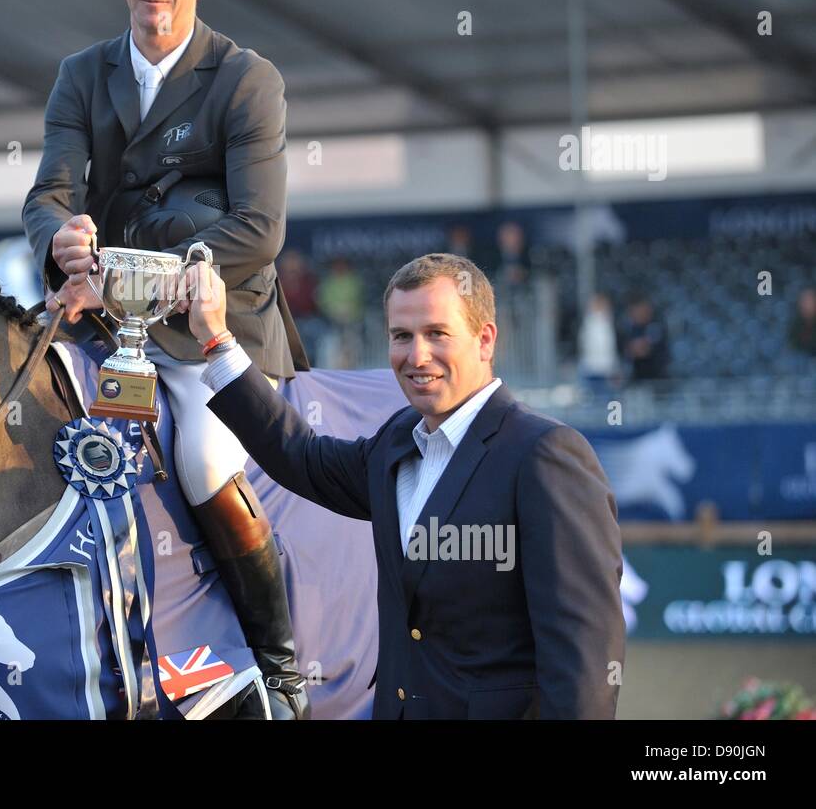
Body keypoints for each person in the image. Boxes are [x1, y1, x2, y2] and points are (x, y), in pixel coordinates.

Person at [23, 0, 312, 718]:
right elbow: (48, 194)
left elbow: (259, 230)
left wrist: (134, 273)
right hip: (108, 325)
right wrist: (62, 238)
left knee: (201, 463)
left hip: (212, 331)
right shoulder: (82, 74)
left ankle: (276, 659)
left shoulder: (247, 79)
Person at [181, 252, 625, 719]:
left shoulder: (546, 456)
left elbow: (584, 662)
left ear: (485, 339)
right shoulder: (397, 441)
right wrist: (217, 340)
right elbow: (300, 457)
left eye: (437, 334)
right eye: (402, 336)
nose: (417, 356)